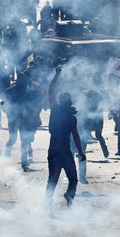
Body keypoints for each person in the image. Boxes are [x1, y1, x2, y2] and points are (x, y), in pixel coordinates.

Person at [45, 67, 86, 210]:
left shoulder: (69, 117)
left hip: (62, 152)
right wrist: (56, 74)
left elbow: (76, 136)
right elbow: (51, 91)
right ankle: (50, 203)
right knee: (57, 181)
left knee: (69, 180)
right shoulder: (60, 112)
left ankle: (67, 197)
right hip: (59, 152)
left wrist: (81, 152)